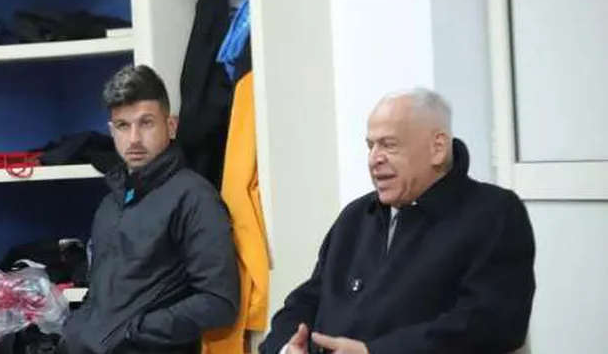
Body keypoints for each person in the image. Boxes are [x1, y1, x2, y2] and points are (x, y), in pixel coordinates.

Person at [260, 88, 536, 354]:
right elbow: (307, 299)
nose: (374, 159)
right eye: (370, 146)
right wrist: (286, 347)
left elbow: (492, 323)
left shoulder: (494, 213)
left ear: (437, 148)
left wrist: (374, 352)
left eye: (388, 145)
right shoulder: (355, 216)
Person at [61, 65, 240, 354]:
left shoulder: (195, 197)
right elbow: (99, 296)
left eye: (146, 123)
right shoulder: (110, 204)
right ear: (112, 131)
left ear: (171, 126)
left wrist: (133, 331)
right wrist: (76, 331)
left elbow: (219, 302)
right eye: (123, 125)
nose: (134, 138)